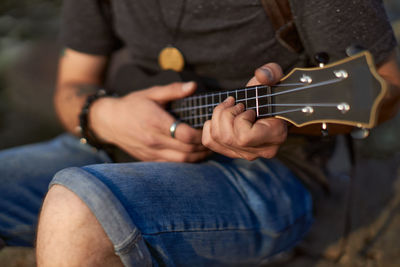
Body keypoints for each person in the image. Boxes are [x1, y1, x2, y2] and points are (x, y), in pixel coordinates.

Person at [1, 0, 399, 265]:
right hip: (118, 145)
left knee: (76, 209)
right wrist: (101, 115)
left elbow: (384, 85)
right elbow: (73, 84)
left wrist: (275, 122)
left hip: (270, 171)